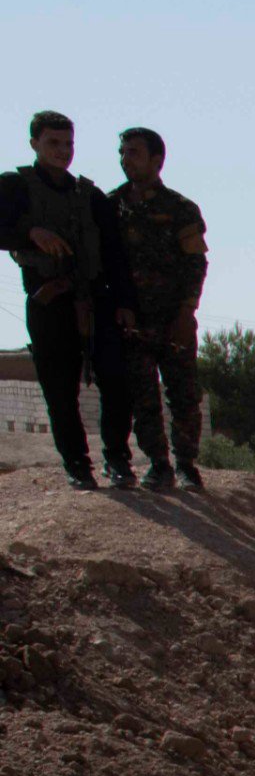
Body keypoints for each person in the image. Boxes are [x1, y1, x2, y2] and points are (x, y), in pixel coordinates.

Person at [5, 111, 133, 491]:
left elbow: (113, 254)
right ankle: (77, 464)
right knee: (60, 390)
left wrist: (124, 302)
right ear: (34, 144)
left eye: (68, 144)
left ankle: (118, 459)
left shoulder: (90, 196)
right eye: (53, 143)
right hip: (50, 302)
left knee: (116, 380)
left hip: (95, 300)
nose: (63, 152)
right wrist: (30, 232)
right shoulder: (15, 187)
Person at [107, 128, 207, 491]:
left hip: (174, 319)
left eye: (133, 152)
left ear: (156, 160)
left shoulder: (180, 210)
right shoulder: (112, 206)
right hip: (133, 321)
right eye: (122, 152)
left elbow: (196, 264)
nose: (124, 159)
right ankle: (158, 463)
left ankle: (186, 465)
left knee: (183, 394)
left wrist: (186, 312)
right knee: (143, 396)